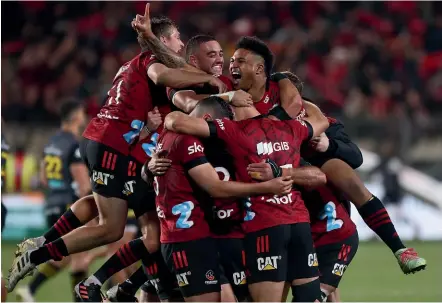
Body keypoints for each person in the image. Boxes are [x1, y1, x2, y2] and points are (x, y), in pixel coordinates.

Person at [7, 12, 227, 297]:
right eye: (176, 37)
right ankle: (39, 256)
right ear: (162, 41)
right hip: (113, 147)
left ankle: (102, 281)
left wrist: (146, 128)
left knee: (151, 233)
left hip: (118, 145)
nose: (181, 42)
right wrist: (215, 89)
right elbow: (169, 77)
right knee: (111, 228)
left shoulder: (133, 65)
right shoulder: (152, 63)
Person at [164, 96, 329, 302]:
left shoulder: (235, 131)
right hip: (295, 225)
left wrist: (275, 174)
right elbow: (321, 122)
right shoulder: (292, 128)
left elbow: (175, 120)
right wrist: (297, 96)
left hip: (261, 228)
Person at [271, 72, 427, 275]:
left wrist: (329, 145)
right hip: (279, 188)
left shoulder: (323, 121)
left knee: (341, 171)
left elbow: (356, 157)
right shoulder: (262, 120)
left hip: (318, 190)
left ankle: (399, 249)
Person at [15, 102, 95, 302]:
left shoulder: (51, 143)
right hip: (69, 206)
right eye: (81, 113)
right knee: (80, 258)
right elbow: (84, 185)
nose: (83, 117)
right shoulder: (74, 145)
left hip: (52, 203)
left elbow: (43, 178)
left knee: (65, 256)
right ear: (76, 116)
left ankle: (30, 290)